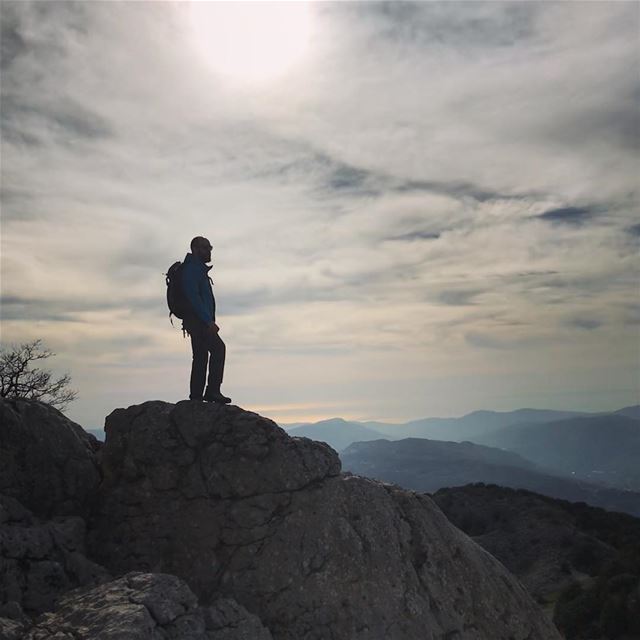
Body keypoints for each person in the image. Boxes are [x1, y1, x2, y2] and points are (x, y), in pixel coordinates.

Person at [181, 236, 231, 403]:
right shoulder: (192, 270)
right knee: (218, 349)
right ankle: (212, 391)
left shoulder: (196, 269)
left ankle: (196, 396)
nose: (209, 251)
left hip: (197, 321)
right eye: (206, 248)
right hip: (199, 322)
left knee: (201, 356)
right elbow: (194, 297)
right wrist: (208, 321)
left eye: (210, 248)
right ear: (195, 249)